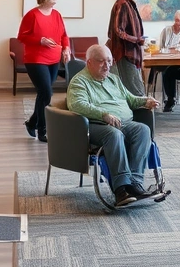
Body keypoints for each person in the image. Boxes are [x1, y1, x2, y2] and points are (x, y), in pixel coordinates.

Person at [67, 45, 160, 207]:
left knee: (143, 130)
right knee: (114, 134)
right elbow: (77, 105)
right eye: (101, 61)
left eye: (109, 61)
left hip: (124, 123)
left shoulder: (113, 79)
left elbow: (130, 99)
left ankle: (135, 183)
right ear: (89, 63)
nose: (107, 65)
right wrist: (104, 114)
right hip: (95, 126)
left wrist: (146, 101)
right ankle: (121, 189)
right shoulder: (79, 82)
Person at [17, 0, 71, 144]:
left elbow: (64, 35)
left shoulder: (57, 15)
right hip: (35, 59)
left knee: (43, 94)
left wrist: (66, 48)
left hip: (54, 59)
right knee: (46, 93)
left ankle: (32, 123)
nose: (55, 1)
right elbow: (22, 37)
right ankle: (42, 130)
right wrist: (40, 40)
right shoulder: (31, 15)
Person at [108, 0, 152, 96]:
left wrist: (138, 39)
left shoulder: (129, 3)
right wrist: (136, 39)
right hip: (125, 53)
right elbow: (118, 30)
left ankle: (136, 114)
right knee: (136, 91)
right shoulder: (123, 4)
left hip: (130, 53)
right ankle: (140, 114)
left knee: (133, 89)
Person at [154, 10, 180, 112]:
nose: (179, 23)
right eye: (177, 20)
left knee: (173, 71)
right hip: (166, 61)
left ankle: (171, 99)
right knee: (167, 71)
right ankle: (171, 99)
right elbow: (160, 47)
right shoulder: (166, 30)